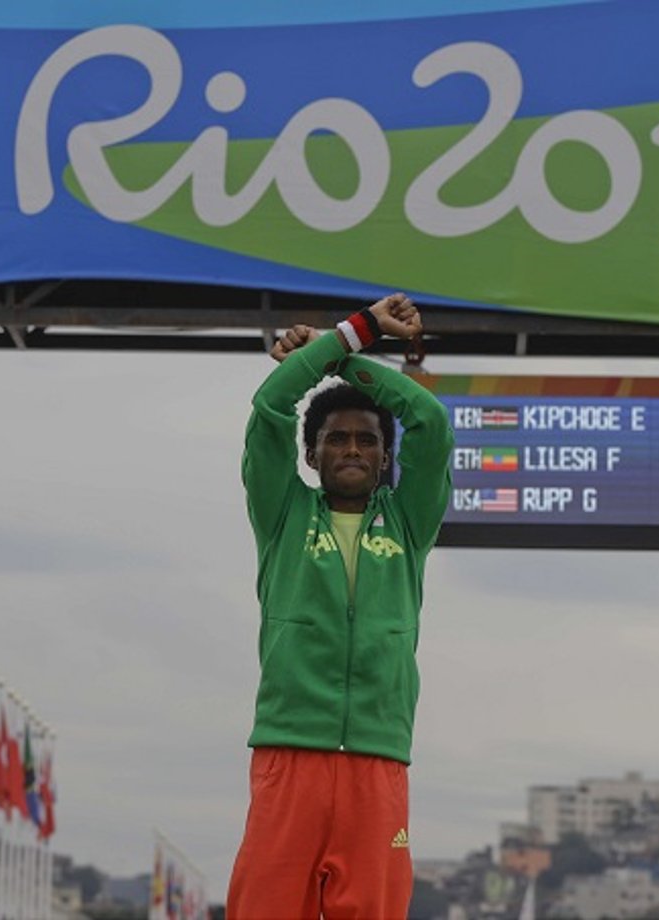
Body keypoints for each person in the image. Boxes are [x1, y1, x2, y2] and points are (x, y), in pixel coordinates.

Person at [227, 293, 454, 919]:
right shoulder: (281, 512)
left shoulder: (409, 523)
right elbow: (272, 404)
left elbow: (431, 420)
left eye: (366, 440)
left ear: (386, 458)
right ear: (310, 455)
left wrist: (341, 360)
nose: (352, 448)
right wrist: (354, 334)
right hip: (288, 754)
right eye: (335, 439)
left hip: (378, 764)